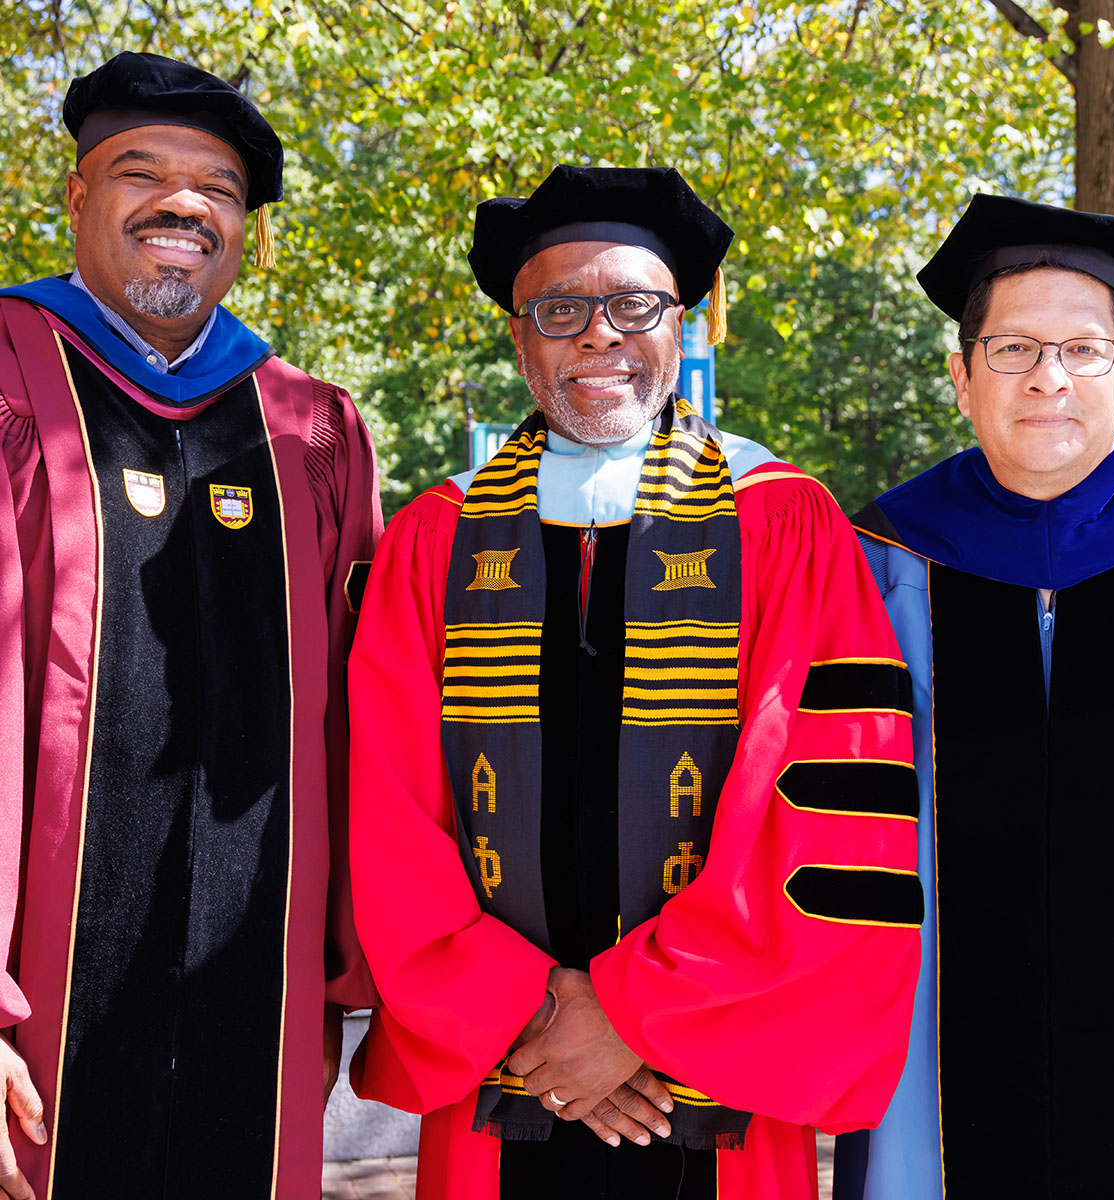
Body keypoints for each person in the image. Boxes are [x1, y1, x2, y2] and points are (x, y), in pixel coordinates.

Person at [348, 164, 924, 1200]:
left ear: (686, 324)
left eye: (633, 304)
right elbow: (388, 810)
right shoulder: (437, 536)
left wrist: (632, 1018)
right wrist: (526, 1018)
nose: (599, 335)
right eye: (560, 309)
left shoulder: (783, 523)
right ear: (521, 339)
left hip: (714, 1069)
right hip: (502, 1070)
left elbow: (818, 806)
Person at [0, 51, 381, 1200]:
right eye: (139, 171)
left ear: (246, 230)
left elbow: (361, 720)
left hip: (251, 1007)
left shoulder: (309, 430)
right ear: (74, 197)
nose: (182, 203)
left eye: (218, 188)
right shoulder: (13, 382)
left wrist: (330, 980)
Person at [846, 194, 1114, 1200]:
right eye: (1012, 349)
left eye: (1085, 350)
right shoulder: (874, 562)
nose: (1049, 375)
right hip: (932, 1069)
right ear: (961, 377)